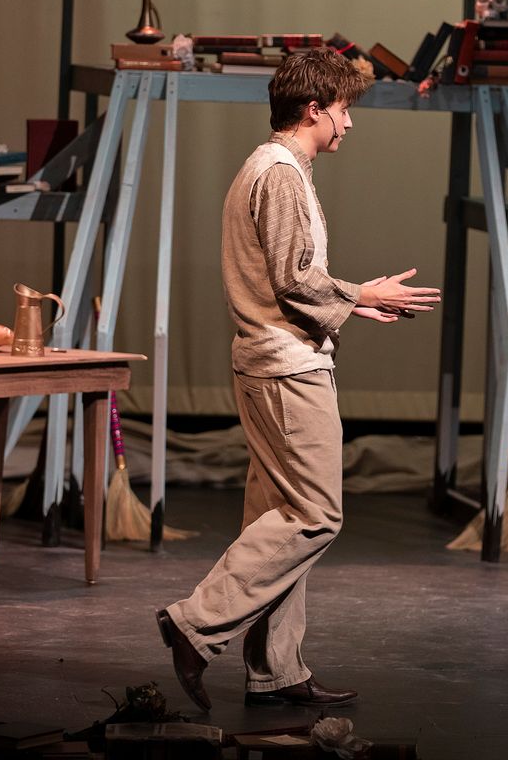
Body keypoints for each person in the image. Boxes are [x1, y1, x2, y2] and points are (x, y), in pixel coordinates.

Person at [156, 48, 441, 710]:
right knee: (315, 513)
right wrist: (359, 292)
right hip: (287, 366)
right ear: (314, 109)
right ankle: (195, 624)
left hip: (271, 359)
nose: (349, 123)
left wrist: (353, 302)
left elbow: (290, 276)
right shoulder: (280, 172)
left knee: (276, 515)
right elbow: (293, 278)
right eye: (343, 110)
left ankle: (275, 668)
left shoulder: (270, 167)